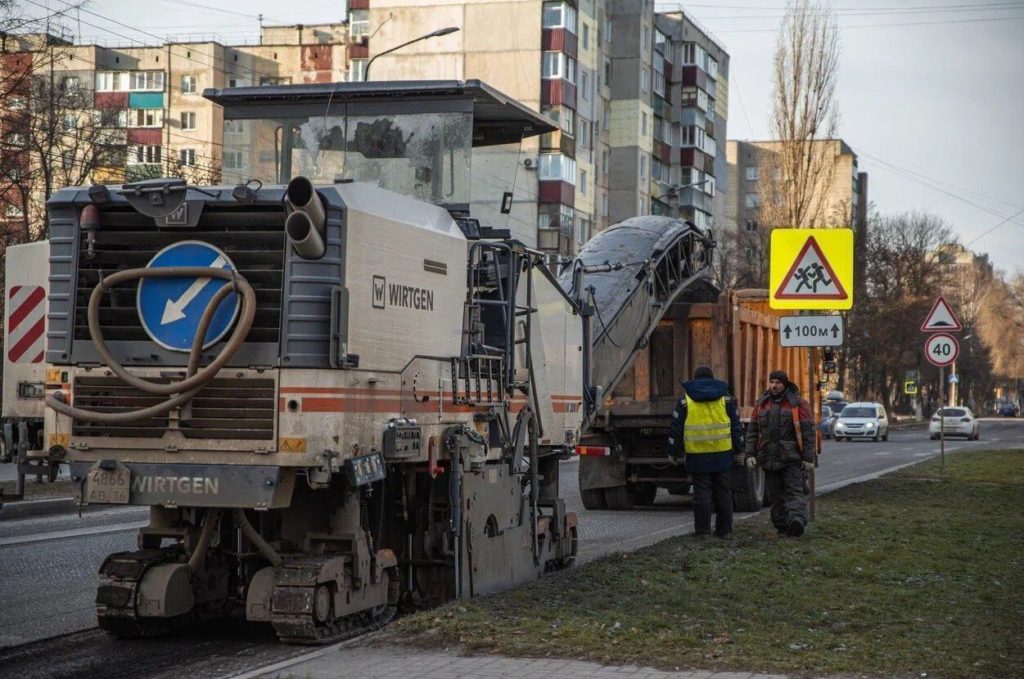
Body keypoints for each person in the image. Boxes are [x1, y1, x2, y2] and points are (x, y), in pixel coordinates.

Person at [667, 365, 743, 539]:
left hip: (697, 455)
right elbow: (736, 426)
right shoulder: (726, 398)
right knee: (723, 493)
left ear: (695, 378)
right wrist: (740, 450)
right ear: (712, 377)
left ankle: (702, 531)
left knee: (702, 494)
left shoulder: (686, 399)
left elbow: (676, 427)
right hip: (722, 453)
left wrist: (672, 452)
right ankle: (725, 531)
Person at [742, 370, 816, 537]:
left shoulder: (797, 403)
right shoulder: (762, 404)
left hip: (791, 459)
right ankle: (782, 527)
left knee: (793, 492)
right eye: (772, 382)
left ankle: (796, 520)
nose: (774, 386)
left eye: (778, 383)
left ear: (785, 384)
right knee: (775, 497)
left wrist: (808, 458)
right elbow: (752, 431)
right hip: (769, 459)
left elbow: (808, 432)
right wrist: (750, 454)